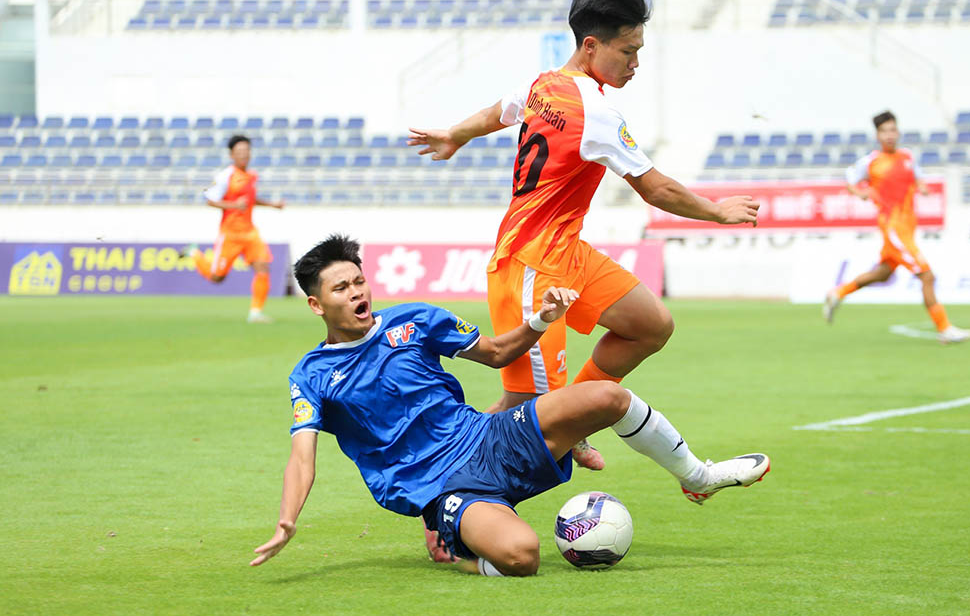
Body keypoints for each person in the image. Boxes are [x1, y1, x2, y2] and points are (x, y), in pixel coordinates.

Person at [249, 234, 770, 576]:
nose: (357, 292)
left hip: (487, 436)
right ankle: (455, 548)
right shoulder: (311, 376)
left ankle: (697, 475)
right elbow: (303, 455)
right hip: (444, 486)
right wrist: (286, 520)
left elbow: (498, 352)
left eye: (359, 280)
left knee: (608, 397)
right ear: (317, 305)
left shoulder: (414, 320)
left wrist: (540, 320)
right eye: (342, 288)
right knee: (522, 559)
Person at [408, 0, 759, 471]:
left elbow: (498, 111)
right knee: (526, 414)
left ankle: (577, 416)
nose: (636, 63)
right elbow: (654, 187)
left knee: (650, 325)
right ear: (592, 46)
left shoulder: (544, 85)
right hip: (531, 266)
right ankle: (443, 488)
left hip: (565, 253)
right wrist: (717, 211)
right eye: (628, 51)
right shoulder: (594, 112)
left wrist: (456, 135)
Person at [823, 111, 970, 344]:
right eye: (884, 131)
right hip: (893, 228)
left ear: (898, 131)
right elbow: (850, 182)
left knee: (882, 274)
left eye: (893, 130)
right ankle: (944, 328)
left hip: (907, 227)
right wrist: (861, 192)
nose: (890, 135)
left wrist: (922, 187)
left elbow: (918, 178)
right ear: (878, 135)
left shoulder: (908, 157)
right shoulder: (871, 161)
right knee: (927, 275)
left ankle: (838, 293)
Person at [184, 135, 284, 323]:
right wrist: (233, 205)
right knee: (217, 277)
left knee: (262, 266)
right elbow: (210, 200)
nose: (244, 155)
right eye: (239, 152)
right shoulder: (225, 176)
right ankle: (194, 253)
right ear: (231, 155)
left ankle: (255, 312)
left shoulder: (252, 175)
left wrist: (272, 205)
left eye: (246, 151)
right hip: (230, 234)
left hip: (249, 232)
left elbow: (250, 201)